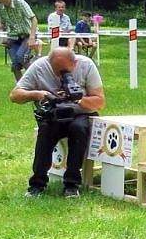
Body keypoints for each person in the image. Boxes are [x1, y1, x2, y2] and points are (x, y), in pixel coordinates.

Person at [10, 47, 106, 198]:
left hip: (80, 114)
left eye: (65, 70)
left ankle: (72, 184)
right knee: (46, 131)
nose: (61, 74)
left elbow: (100, 102)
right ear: (49, 62)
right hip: (53, 115)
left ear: (75, 62)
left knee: (78, 129)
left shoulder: (86, 65)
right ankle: (37, 184)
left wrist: (78, 99)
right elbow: (15, 95)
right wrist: (38, 94)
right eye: (57, 70)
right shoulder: (40, 66)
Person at [0, 0, 39, 81]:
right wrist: (1, 35)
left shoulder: (20, 3)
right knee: (15, 65)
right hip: (13, 37)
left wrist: (32, 38)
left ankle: (37, 80)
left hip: (27, 35)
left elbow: (34, 19)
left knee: (21, 57)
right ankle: (21, 88)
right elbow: (2, 23)